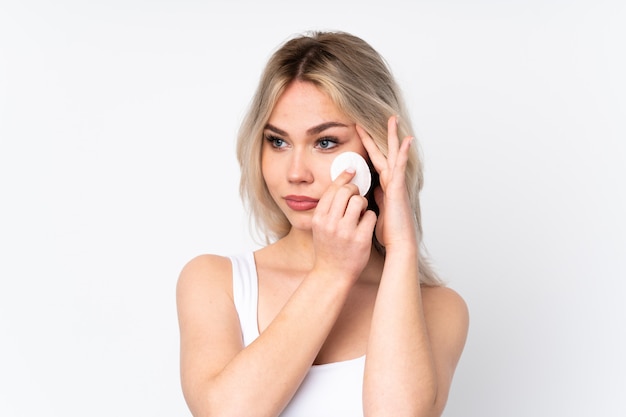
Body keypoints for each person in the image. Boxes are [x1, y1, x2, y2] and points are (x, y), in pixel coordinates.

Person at [176, 31, 469, 417]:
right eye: (277, 142)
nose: (295, 173)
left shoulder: (439, 309)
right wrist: (331, 272)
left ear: (377, 150)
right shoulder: (214, 282)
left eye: (325, 142)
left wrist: (401, 250)